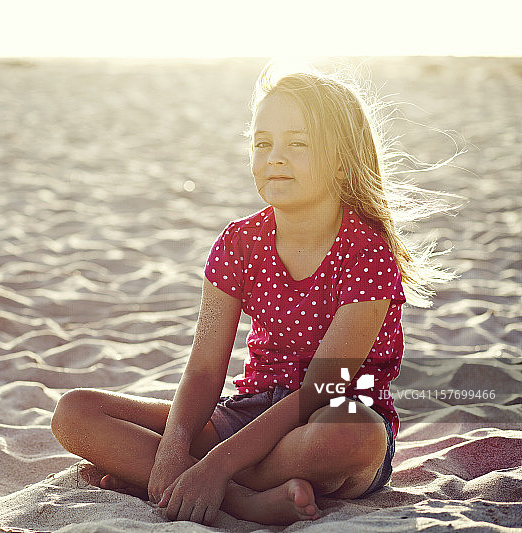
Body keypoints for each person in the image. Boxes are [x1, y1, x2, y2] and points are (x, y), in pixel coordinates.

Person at [50, 62, 455, 526]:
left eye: (297, 143)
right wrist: (174, 448)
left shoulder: (366, 254)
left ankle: (200, 482)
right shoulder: (239, 243)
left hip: (331, 415)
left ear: (342, 160)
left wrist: (217, 465)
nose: (274, 157)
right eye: (263, 143)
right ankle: (243, 501)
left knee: (350, 434)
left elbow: (318, 390)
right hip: (247, 414)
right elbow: (204, 369)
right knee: (74, 413)